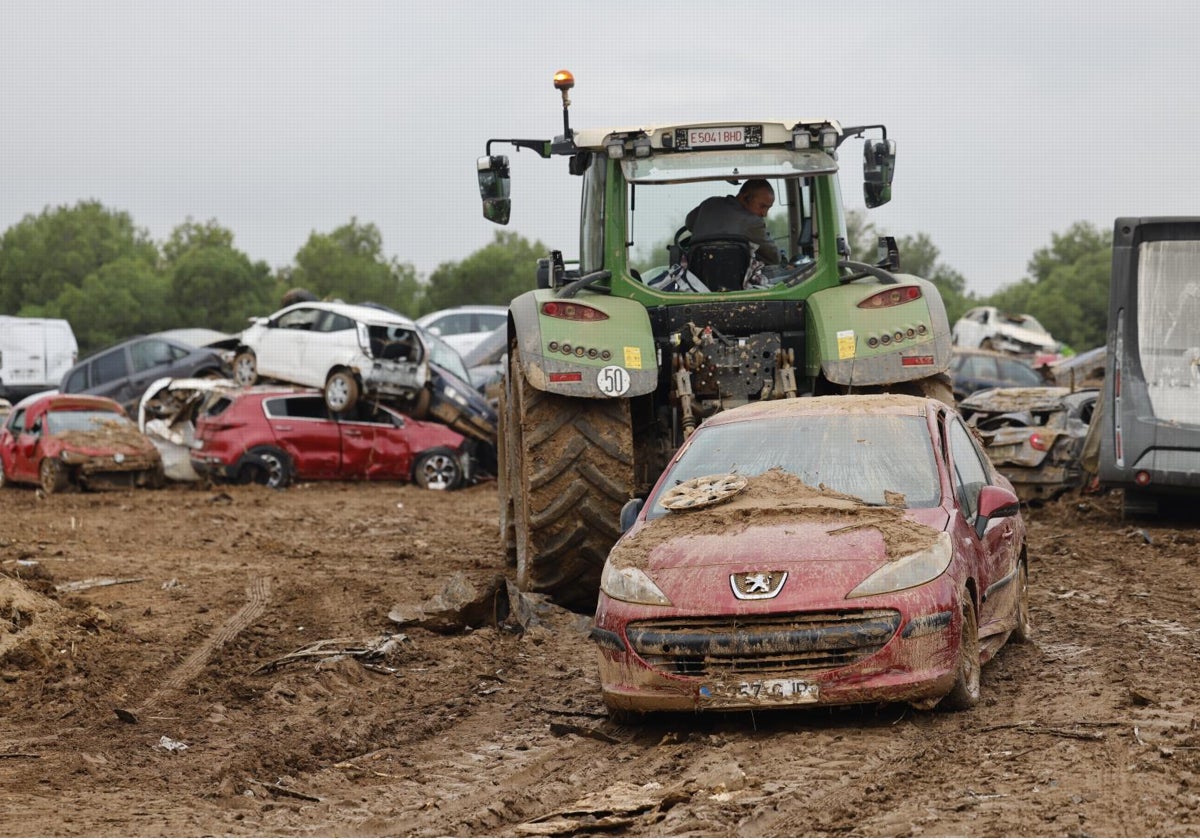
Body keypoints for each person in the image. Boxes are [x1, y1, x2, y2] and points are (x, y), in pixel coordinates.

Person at [684, 179, 781, 265]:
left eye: (768, 208)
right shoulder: (753, 222)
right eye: (762, 206)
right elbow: (774, 258)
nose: (764, 214)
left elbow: (689, 224)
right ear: (744, 198)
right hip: (734, 281)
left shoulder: (709, 203)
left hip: (696, 277)